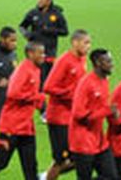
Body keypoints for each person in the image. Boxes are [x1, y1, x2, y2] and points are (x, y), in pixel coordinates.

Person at [0, 41, 48, 180]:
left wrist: (39, 104)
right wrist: (37, 97)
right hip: (12, 126)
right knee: (1, 161)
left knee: (30, 165)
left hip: (26, 126)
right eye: (40, 53)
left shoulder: (35, 69)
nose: (44, 56)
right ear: (30, 54)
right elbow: (12, 93)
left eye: (44, 52)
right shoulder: (24, 70)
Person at [43, 29, 92, 179]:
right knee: (61, 160)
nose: (88, 46)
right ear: (75, 42)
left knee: (79, 157)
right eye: (85, 43)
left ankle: (46, 176)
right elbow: (48, 87)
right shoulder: (65, 61)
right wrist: (72, 95)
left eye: (89, 43)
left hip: (72, 117)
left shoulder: (82, 60)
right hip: (59, 117)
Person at [69, 49, 117, 180]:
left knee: (111, 177)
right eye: (108, 61)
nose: (112, 64)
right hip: (83, 142)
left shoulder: (104, 81)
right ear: (97, 63)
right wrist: (106, 111)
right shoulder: (86, 83)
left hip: (99, 142)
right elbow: (78, 114)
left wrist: (112, 114)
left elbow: (101, 108)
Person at [20, 0, 69, 83]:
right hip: (35, 52)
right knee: (33, 78)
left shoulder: (57, 14)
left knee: (46, 79)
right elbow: (22, 26)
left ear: (49, 1)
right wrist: (26, 33)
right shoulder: (33, 13)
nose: (39, 0)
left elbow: (65, 32)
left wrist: (51, 30)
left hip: (49, 52)